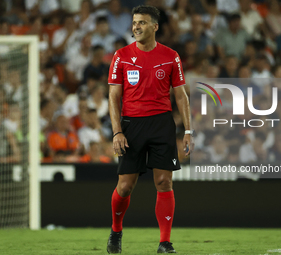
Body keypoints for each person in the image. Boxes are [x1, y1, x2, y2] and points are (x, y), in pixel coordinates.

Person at [107, 5, 193, 254]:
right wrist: (116, 131)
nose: (136, 26)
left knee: (164, 182)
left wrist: (188, 131)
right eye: (134, 22)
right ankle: (116, 230)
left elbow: (181, 95)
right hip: (131, 125)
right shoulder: (121, 55)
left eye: (142, 22)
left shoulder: (170, 56)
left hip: (161, 124)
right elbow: (113, 97)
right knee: (125, 186)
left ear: (155, 27)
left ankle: (164, 243)